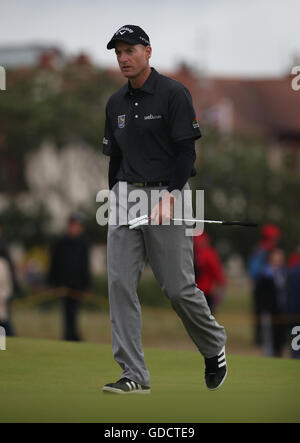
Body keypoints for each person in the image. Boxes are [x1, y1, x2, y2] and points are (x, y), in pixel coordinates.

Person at [101, 25, 227, 395]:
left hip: (168, 195)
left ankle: (212, 343)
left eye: (129, 51)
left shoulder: (174, 94)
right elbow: (115, 159)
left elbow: (186, 151)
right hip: (126, 198)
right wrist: (113, 197)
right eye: (118, 53)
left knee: (177, 287)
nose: (123, 58)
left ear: (148, 52)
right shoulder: (115, 104)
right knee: (120, 284)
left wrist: (172, 195)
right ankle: (133, 375)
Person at [48, 213, 90, 341]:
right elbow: (53, 264)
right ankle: (70, 336)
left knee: (73, 312)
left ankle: (72, 336)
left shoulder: (83, 244)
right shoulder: (60, 243)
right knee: (67, 313)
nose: (77, 228)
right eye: (75, 226)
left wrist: (87, 286)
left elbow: (85, 266)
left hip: (77, 286)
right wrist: (52, 283)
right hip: (62, 286)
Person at [248, 224, 281, 345]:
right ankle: (262, 338)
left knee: (260, 312)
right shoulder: (266, 249)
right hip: (263, 285)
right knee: (264, 312)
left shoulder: (258, 249)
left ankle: (260, 337)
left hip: (259, 285)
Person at [255, 248, 288, 357]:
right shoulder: (265, 274)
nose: (278, 261)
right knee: (269, 338)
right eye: (275, 259)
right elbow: (259, 295)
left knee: (280, 338)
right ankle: (269, 358)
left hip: (282, 311)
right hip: (269, 311)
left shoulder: (284, 274)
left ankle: (278, 355)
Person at [193, 232, 227, 313]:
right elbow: (218, 274)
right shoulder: (208, 253)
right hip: (203, 290)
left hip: (203, 291)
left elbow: (217, 273)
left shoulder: (205, 254)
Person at [0, 224, 19, 336]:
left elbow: (7, 281)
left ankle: (3, 346)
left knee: (3, 321)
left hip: (2, 296)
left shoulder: (4, 257)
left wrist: (4, 295)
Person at [287, 264, 300, 359]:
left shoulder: (292, 273)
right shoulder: (293, 273)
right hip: (295, 313)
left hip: (293, 313)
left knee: (295, 347)